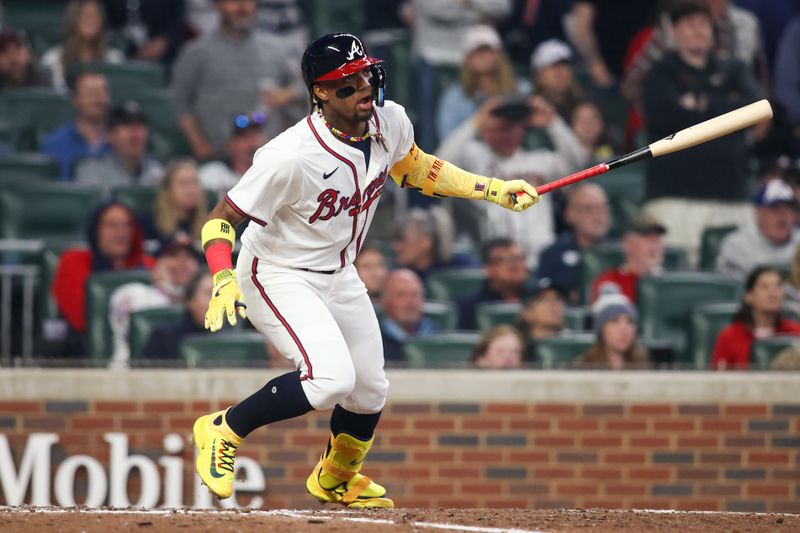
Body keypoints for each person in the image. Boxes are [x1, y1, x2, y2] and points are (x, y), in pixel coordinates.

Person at [189, 32, 540, 508]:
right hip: (277, 272)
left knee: (370, 389)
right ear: (320, 93)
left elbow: (418, 169)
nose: (363, 91)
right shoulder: (289, 156)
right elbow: (220, 219)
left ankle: (335, 477)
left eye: (365, 77)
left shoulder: (389, 121)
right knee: (330, 379)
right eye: (346, 85)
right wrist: (222, 275)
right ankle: (223, 429)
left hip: (339, 271)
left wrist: (492, 189)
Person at [640, 1, 761, 261]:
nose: (698, 30)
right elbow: (661, 113)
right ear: (674, 32)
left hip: (731, 195)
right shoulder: (660, 72)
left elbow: (755, 110)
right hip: (675, 196)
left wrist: (701, 104)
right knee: (680, 271)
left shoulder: (734, 68)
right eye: (689, 24)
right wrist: (727, 108)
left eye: (704, 24)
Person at [437, 95, 589, 268]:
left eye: (515, 127)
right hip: (498, 258)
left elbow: (579, 162)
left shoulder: (539, 161)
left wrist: (553, 123)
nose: (509, 133)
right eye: (502, 128)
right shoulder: (475, 158)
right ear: (486, 131)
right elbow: (441, 164)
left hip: (542, 257)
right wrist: (475, 122)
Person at [171, 0, 304, 159]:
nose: (243, 7)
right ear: (218, 5)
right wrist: (199, 145)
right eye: (235, 1)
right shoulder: (196, 51)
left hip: (268, 154)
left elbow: (305, 87)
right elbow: (179, 101)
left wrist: (288, 93)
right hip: (217, 155)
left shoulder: (275, 49)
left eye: (248, 1)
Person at [51, 202, 154, 354]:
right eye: (112, 225)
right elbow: (81, 319)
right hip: (81, 349)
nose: (121, 232)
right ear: (95, 231)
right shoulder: (73, 261)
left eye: (127, 225)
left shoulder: (149, 265)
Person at [109, 234, 199, 366]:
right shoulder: (132, 294)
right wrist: (167, 289)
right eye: (173, 255)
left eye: (189, 257)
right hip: (126, 372)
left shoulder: (206, 300)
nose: (182, 263)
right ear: (158, 262)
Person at [435, 25, 521, 143]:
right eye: (477, 52)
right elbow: (447, 140)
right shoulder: (454, 96)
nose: (484, 56)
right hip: (473, 155)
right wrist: (479, 123)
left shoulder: (521, 89)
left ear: (498, 55)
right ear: (468, 58)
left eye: (488, 51)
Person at [711, 266, 800, 369]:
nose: (773, 293)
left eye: (778, 287)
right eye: (765, 287)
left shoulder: (796, 333)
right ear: (749, 296)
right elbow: (719, 379)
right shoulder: (729, 337)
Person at [538, 183, 611, 304]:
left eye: (603, 208)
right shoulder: (552, 255)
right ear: (569, 214)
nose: (599, 216)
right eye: (588, 209)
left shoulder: (621, 251)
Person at [716, 180, 800, 280]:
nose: (783, 217)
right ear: (758, 213)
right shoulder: (737, 245)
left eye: (789, 210)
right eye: (776, 210)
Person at [75, 100, 164, 195]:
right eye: (127, 126)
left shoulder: (158, 173)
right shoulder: (92, 172)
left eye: (140, 126)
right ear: (110, 135)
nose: (135, 135)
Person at [40, 69, 111, 179]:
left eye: (102, 92)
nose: (99, 100)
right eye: (91, 93)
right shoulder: (54, 144)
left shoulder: (121, 142)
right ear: (75, 99)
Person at [40, 0, 124, 92]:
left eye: (95, 14)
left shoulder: (114, 59)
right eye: (84, 15)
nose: (91, 19)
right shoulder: (53, 59)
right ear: (73, 20)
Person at [457, 238, 533, 330]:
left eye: (520, 258)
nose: (517, 264)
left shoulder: (537, 298)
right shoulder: (467, 307)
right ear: (488, 268)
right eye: (508, 259)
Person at [591, 213, 666, 303]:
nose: (655, 243)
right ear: (628, 244)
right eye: (647, 237)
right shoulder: (610, 283)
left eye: (658, 237)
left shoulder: (669, 282)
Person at [392, 207, 479, 282]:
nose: (396, 247)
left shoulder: (464, 268)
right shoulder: (398, 275)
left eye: (403, 241)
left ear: (426, 242)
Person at [573, 285, 650, 369]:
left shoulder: (644, 365)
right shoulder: (583, 367)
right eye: (614, 321)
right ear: (601, 328)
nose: (624, 329)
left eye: (629, 322)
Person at [140, 271, 212, 360]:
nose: (216, 300)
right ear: (190, 301)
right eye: (209, 293)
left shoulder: (232, 335)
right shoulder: (163, 337)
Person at [198, 111, 268, 197]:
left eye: (256, 134)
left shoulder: (274, 175)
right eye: (244, 136)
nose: (252, 142)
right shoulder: (211, 175)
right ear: (229, 144)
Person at [378, 269, 436, 364]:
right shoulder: (374, 340)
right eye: (401, 295)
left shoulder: (438, 336)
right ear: (385, 301)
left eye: (415, 295)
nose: (409, 302)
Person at [102, 0, 186, 65]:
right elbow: (101, 14)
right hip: (117, 50)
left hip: (162, 56)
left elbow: (177, 19)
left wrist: (164, 40)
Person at [142, 159, 208, 241]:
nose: (191, 190)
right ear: (168, 189)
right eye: (183, 183)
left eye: (194, 183)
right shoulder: (150, 223)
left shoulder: (209, 224)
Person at [529, 39, 584, 121]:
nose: (560, 71)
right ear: (539, 75)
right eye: (553, 66)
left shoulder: (584, 104)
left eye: (564, 65)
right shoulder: (532, 109)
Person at [516, 279, 567, 362]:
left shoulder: (571, 345)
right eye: (545, 300)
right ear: (527, 312)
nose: (554, 304)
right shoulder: (517, 348)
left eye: (558, 299)